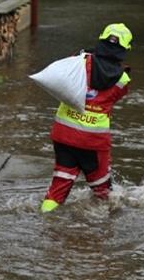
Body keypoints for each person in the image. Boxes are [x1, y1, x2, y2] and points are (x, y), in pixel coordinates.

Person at [40, 23, 132, 213]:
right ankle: (103, 230)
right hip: (93, 141)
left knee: (60, 183)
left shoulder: (79, 62)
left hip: (63, 133)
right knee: (103, 191)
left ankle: (45, 220)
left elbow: (63, 77)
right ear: (124, 50)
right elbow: (113, 95)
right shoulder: (123, 80)